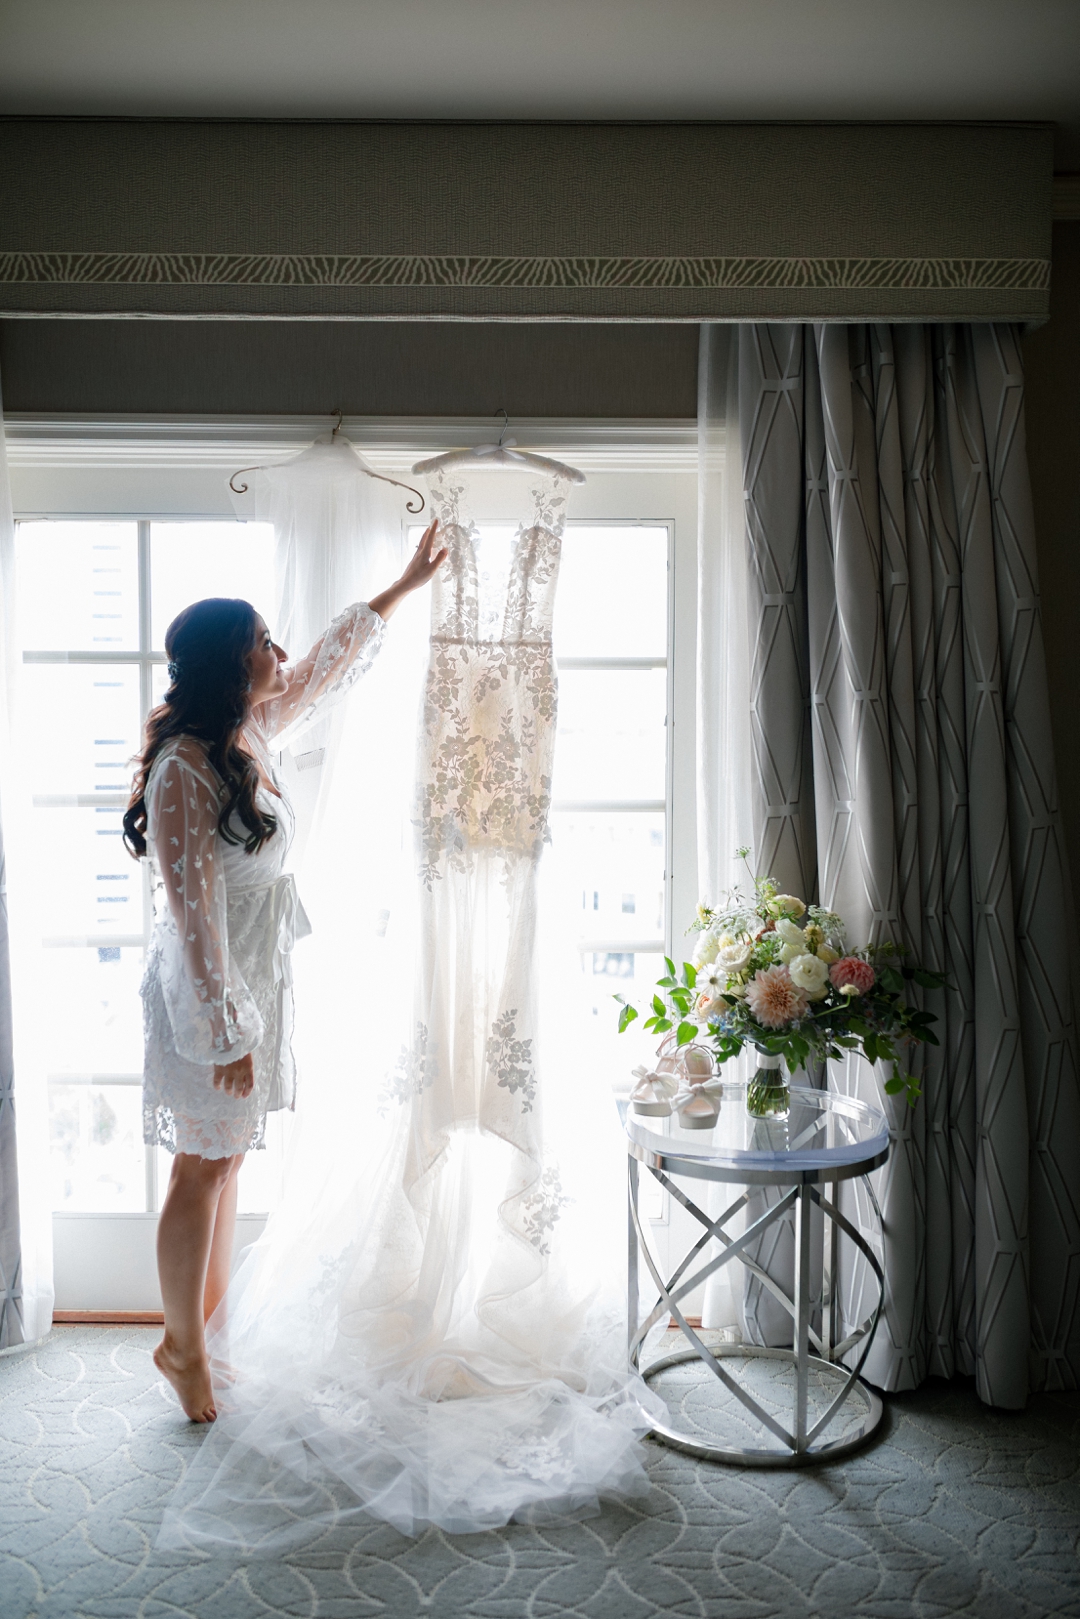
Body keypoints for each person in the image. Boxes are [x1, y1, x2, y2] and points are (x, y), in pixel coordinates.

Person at [122, 520, 446, 1423]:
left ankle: (206, 1334)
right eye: (265, 640)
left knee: (225, 1163)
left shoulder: (246, 732)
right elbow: (191, 913)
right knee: (201, 1164)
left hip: (250, 982)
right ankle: (181, 1345)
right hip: (208, 991)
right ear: (232, 661)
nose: (281, 651)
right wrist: (226, 1027)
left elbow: (325, 669)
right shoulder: (185, 768)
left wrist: (401, 586)